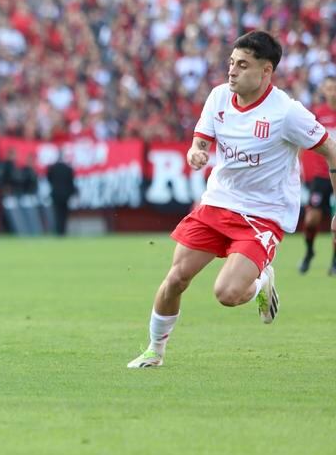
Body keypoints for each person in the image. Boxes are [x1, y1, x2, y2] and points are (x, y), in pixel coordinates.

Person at [128, 31, 336, 369]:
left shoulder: (287, 113)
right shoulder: (219, 97)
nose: (232, 71)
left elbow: (330, 150)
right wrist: (196, 152)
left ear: (266, 71)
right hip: (217, 204)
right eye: (231, 63)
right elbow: (201, 141)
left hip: (262, 216)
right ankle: (155, 351)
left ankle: (262, 282)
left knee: (226, 294)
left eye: (242, 65)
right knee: (177, 278)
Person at [298, 76, 336, 274]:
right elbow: (302, 141)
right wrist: (297, 168)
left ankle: (335, 262)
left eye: (334, 88)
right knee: (312, 218)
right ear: (324, 90)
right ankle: (309, 251)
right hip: (321, 174)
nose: (332, 92)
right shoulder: (318, 114)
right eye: (329, 88)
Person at [45, 154, 76, 236]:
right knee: (64, 214)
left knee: (57, 214)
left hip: (55, 194)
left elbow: (49, 179)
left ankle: (58, 231)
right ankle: (63, 231)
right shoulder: (68, 169)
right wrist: (73, 192)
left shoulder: (52, 168)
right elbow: (71, 183)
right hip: (66, 195)